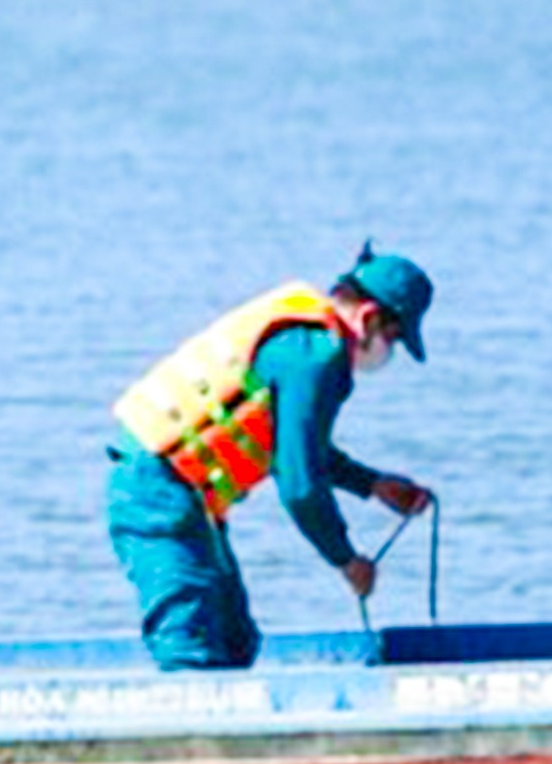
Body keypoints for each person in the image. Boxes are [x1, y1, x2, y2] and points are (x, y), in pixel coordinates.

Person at [107, 246, 434, 670]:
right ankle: (193, 734)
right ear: (370, 317)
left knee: (235, 640)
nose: (387, 351)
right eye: (392, 337)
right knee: (190, 638)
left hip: (185, 493)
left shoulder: (303, 339)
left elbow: (293, 447)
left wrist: (371, 485)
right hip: (156, 487)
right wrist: (346, 560)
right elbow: (299, 484)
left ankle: (222, 728)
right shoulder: (318, 355)